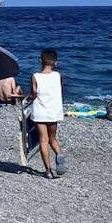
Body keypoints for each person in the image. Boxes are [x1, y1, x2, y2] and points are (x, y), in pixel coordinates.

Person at [27, 49, 66, 178]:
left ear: (40, 60)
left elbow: (34, 93)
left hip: (40, 112)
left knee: (43, 140)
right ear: (56, 62)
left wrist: (28, 99)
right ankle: (59, 154)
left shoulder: (35, 76)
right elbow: (60, 90)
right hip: (54, 111)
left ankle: (48, 171)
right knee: (53, 138)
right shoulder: (58, 75)